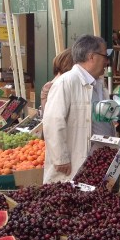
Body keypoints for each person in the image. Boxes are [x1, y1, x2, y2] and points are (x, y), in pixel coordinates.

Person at [43, 35, 113, 184]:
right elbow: (53, 120)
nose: (107, 61)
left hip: (96, 163)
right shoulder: (66, 82)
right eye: (105, 56)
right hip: (73, 165)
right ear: (91, 56)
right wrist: (60, 158)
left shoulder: (99, 85)